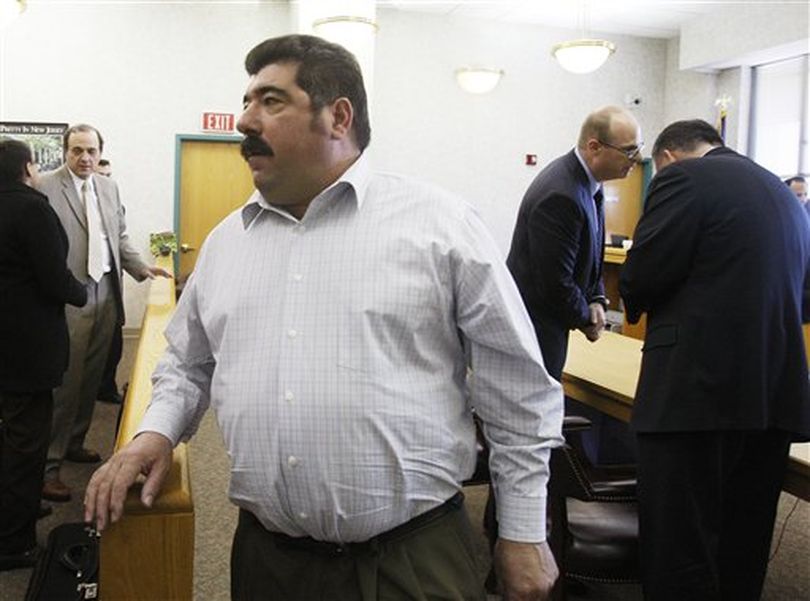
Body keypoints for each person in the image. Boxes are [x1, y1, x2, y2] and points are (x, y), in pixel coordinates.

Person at [84, 34, 564, 600]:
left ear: (338, 117)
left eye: (270, 101)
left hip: (410, 560)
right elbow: (187, 364)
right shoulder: (226, 243)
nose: (244, 120)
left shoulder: (439, 226)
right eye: (246, 102)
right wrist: (155, 433)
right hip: (268, 560)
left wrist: (524, 530)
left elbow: (518, 390)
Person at [619, 119, 810, 601]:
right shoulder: (787, 196)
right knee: (742, 544)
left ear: (666, 158)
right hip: (773, 394)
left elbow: (642, 276)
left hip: (694, 394)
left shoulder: (683, 179)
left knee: (679, 548)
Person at [38, 124, 170, 503]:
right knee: (65, 382)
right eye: (77, 150)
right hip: (68, 294)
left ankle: (76, 441)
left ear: (100, 153)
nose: (85, 158)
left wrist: (142, 268)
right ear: (65, 152)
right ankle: (49, 465)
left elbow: (119, 236)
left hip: (106, 292)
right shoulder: (46, 187)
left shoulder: (109, 187)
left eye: (91, 151)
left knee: (92, 377)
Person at [506, 106, 642, 469]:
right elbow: (554, 283)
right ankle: (524, 519)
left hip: (550, 324)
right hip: (537, 329)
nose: (636, 159)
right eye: (629, 150)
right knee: (533, 433)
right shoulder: (562, 193)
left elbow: (592, 257)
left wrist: (597, 298)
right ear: (595, 147)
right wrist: (588, 318)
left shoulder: (587, 184)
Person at [0, 139, 87, 570]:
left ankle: (15, 513)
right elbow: (55, 278)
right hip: (26, 351)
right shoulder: (32, 207)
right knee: (26, 443)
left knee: (8, 434)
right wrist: (81, 292)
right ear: (28, 168)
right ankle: (14, 543)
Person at [93, 157, 125, 405]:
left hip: (110, 284)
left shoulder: (114, 199)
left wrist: (142, 268)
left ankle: (106, 388)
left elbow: (120, 239)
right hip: (83, 286)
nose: (105, 180)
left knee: (113, 346)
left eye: (109, 175)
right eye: (101, 175)